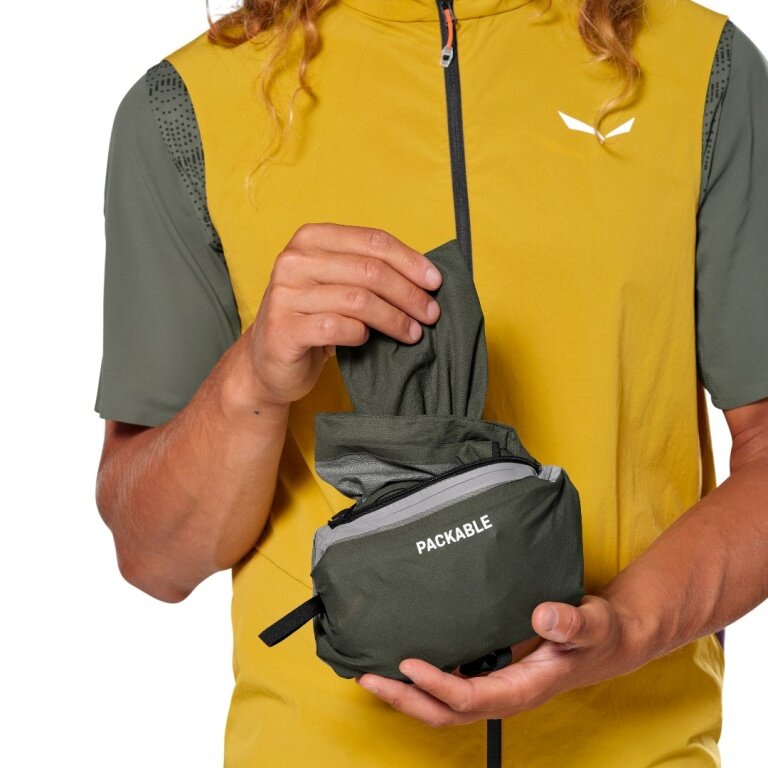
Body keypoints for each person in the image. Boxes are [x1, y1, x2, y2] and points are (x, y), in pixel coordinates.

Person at [94, 0, 768, 765]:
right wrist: (251, 380)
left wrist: (627, 628)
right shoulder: (188, 109)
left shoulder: (702, 69)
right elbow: (154, 557)